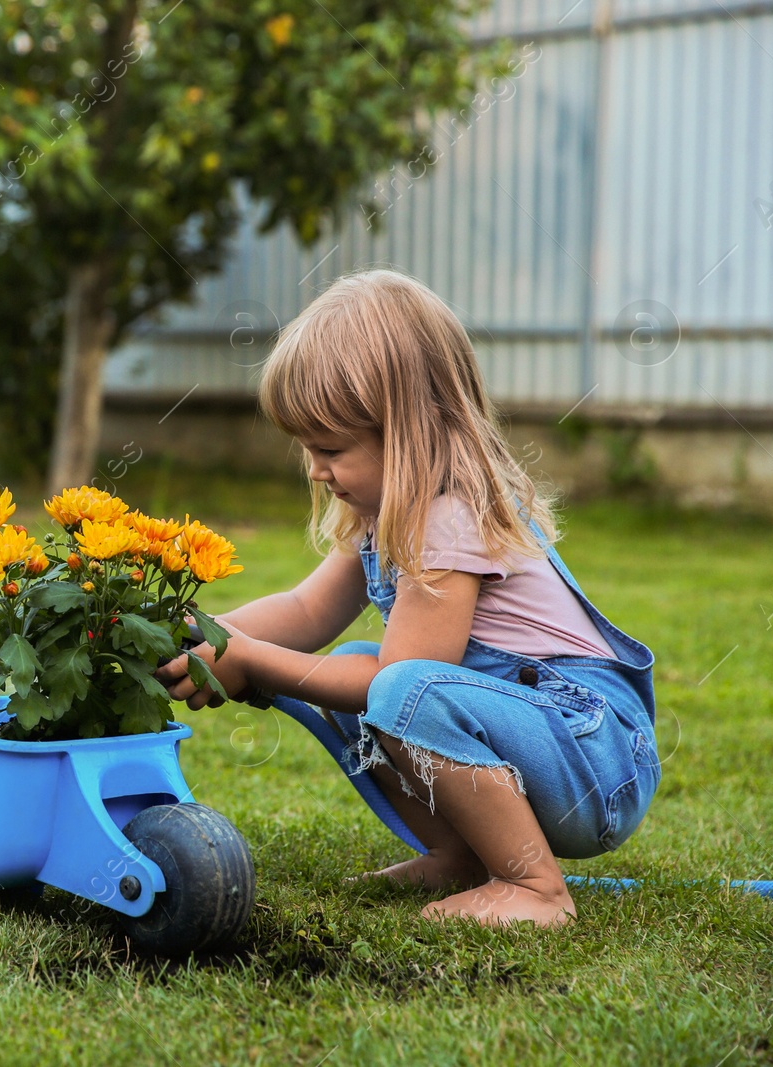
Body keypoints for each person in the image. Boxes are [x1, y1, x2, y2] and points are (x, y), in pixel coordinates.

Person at [158, 269, 658, 926]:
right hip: (548, 743)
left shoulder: (450, 519)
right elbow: (307, 614)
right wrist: (205, 635)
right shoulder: (387, 513)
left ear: (410, 432)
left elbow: (401, 682)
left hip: (593, 758)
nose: (314, 468)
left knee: (392, 690)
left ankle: (535, 887)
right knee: (361, 674)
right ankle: (463, 855)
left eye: (331, 447)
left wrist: (254, 663)